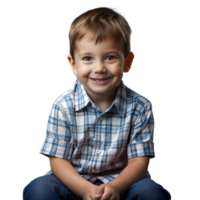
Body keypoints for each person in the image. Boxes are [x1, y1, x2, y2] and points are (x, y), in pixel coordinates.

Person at [22, 6, 171, 200]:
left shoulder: (139, 106)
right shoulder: (63, 105)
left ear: (127, 62)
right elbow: (57, 160)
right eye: (87, 59)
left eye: (110, 57)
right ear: (73, 64)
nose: (99, 68)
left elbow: (139, 162)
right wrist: (84, 189)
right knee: (39, 187)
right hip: (73, 183)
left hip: (122, 184)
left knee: (151, 191)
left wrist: (116, 187)